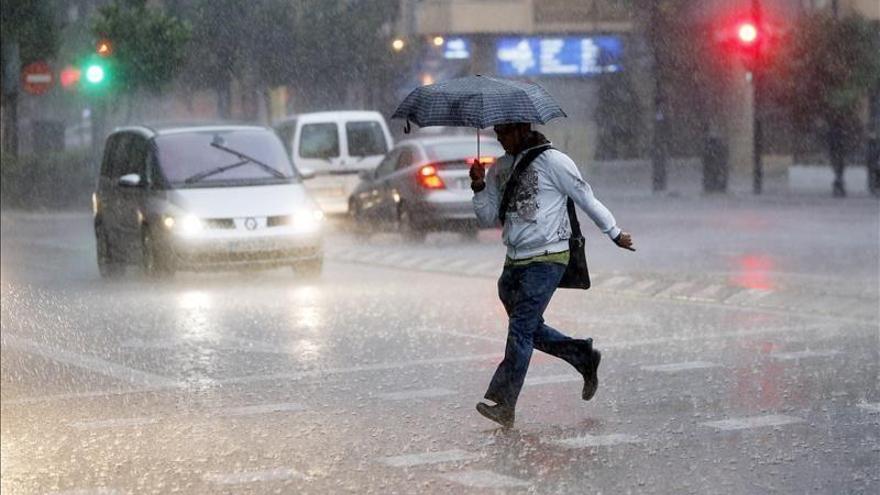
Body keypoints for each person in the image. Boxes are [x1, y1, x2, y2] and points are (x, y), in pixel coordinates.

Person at [469, 122, 635, 428]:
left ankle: (504, 403)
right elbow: (488, 217)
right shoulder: (500, 167)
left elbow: (586, 198)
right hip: (513, 262)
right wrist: (479, 187)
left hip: (548, 259)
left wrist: (614, 232)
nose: (500, 139)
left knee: (520, 330)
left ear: (521, 130)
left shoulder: (554, 162)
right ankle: (582, 355)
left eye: (504, 133)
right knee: (529, 329)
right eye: (497, 133)